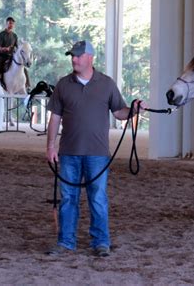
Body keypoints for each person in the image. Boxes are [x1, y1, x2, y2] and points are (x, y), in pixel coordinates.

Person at [45, 40, 146, 257]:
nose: (74, 59)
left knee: (98, 197)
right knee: (68, 198)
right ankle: (66, 242)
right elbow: (54, 118)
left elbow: (119, 112)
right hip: (69, 152)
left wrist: (134, 110)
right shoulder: (63, 84)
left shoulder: (107, 84)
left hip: (97, 153)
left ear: (90, 58)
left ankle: (101, 242)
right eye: (72, 55)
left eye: (78, 56)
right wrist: (50, 146)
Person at [0, 16, 30, 91]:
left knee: (23, 68)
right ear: (6, 24)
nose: (11, 25)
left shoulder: (14, 36)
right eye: (9, 23)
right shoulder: (1, 34)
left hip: (11, 56)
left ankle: (27, 85)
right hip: (2, 56)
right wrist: (5, 49)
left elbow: (16, 48)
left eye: (12, 24)